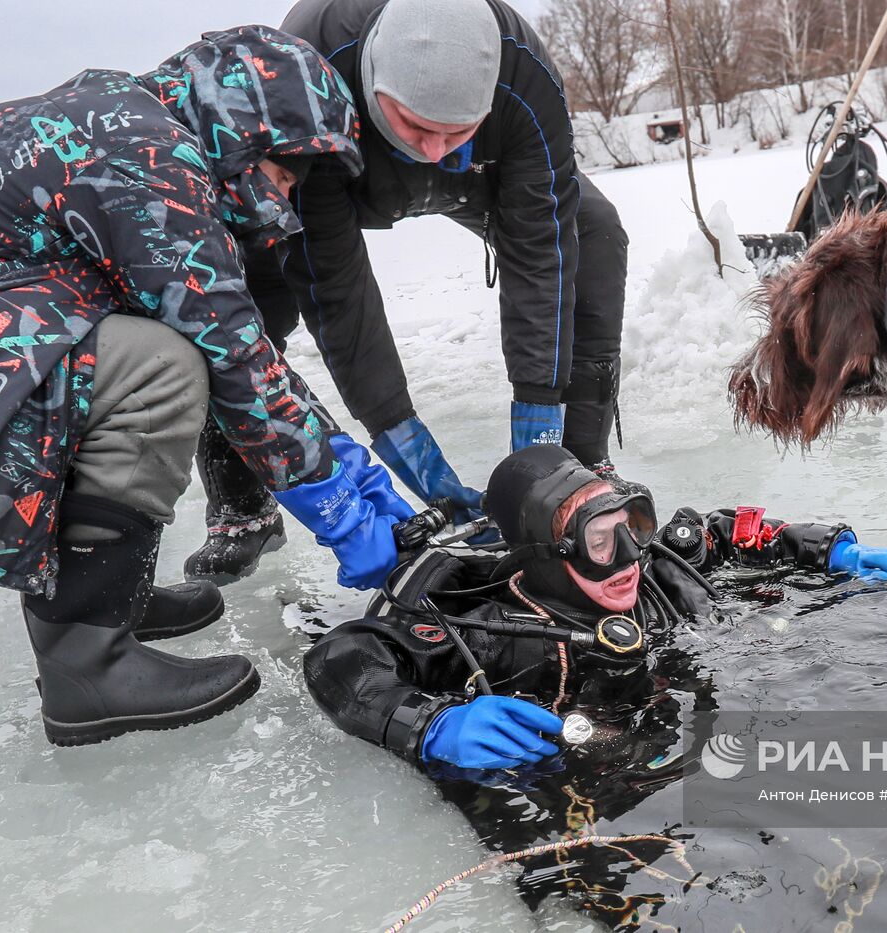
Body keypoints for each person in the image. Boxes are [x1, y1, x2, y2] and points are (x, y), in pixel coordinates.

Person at [0, 26, 416, 746]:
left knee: (131, 346)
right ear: (248, 127)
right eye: (286, 174)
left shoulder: (129, 124)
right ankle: (86, 662)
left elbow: (240, 342)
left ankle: (98, 597)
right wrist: (330, 497)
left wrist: (343, 456)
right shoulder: (145, 159)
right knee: (161, 362)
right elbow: (228, 350)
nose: (284, 199)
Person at [184, 0, 630, 583]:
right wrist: (408, 447)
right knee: (248, 288)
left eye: (456, 131)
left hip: (485, 172)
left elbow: (541, 252)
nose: (436, 149)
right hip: (344, 169)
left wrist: (539, 447)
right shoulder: (311, 75)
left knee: (593, 233)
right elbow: (337, 291)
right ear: (372, 88)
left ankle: (580, 463)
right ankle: (243, 509)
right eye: (419, 127)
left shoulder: (525, 79)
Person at [303, 445, 887, 773]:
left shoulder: (653, 568)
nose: (630, 558)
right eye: (602, 542)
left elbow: (726, 530)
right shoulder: (486, 627)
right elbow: (340, 657)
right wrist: (430, 725)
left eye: (632, 528)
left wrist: (833, 551)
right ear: (546, 555)